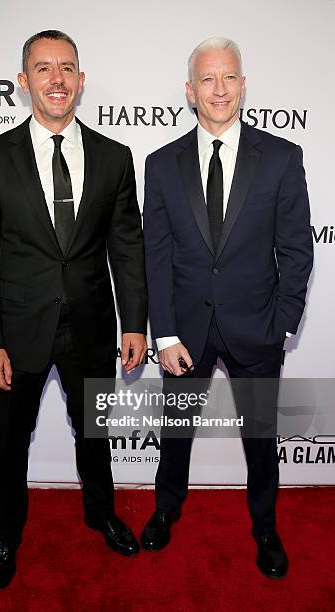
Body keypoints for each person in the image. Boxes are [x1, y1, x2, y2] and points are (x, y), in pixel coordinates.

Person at [0, 30, 147, 590]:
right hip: (17, 332)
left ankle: (101, 515)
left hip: (91, 325)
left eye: (67, 67)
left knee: (94, 431)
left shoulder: (115, 158)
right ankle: (6, 535)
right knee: (11, 440)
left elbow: (127, 245)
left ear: (81, 80)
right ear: (24, 82)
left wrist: (135, 321)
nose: (57, 79)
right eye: (43, 68)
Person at [141, 37, 313, 578]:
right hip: (185, 332)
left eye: (230, 77)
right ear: (191, 92)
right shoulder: (161, 163)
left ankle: (265, 526)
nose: (220, 89)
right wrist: (163, 334)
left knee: (261, 438)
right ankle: (166, 507)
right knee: (175, 430)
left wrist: (282, 324)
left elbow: (296, 250)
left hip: (257, 329)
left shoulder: (282, 158)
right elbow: (156, 254)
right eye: (208, 80)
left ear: (243, 85)